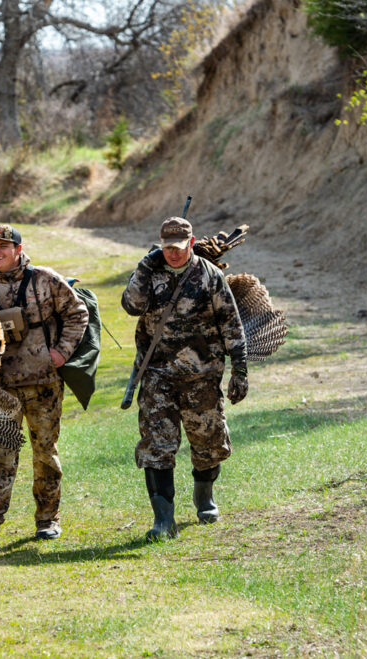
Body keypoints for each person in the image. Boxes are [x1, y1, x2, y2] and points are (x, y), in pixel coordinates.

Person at [0, 224, 89, 555]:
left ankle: (47, 519)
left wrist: (60, 352)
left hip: (44, 385)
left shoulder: (45, 280)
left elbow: (77, 313)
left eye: (3, 246)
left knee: (44, 454)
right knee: (0, 458)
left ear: (18, 249)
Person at [121, 217, 248, 541]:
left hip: (202, 375)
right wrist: (144, 267)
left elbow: (231, 323)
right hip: (157, 374)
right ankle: (164, 520)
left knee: (208, 442)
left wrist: (240, 369)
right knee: (156, 445)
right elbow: (131, 306)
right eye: (166, 249)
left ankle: (204, 496)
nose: (172, 255)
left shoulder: (209, 275)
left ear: (190, 244)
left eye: (178, 249)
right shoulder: (151, 273)